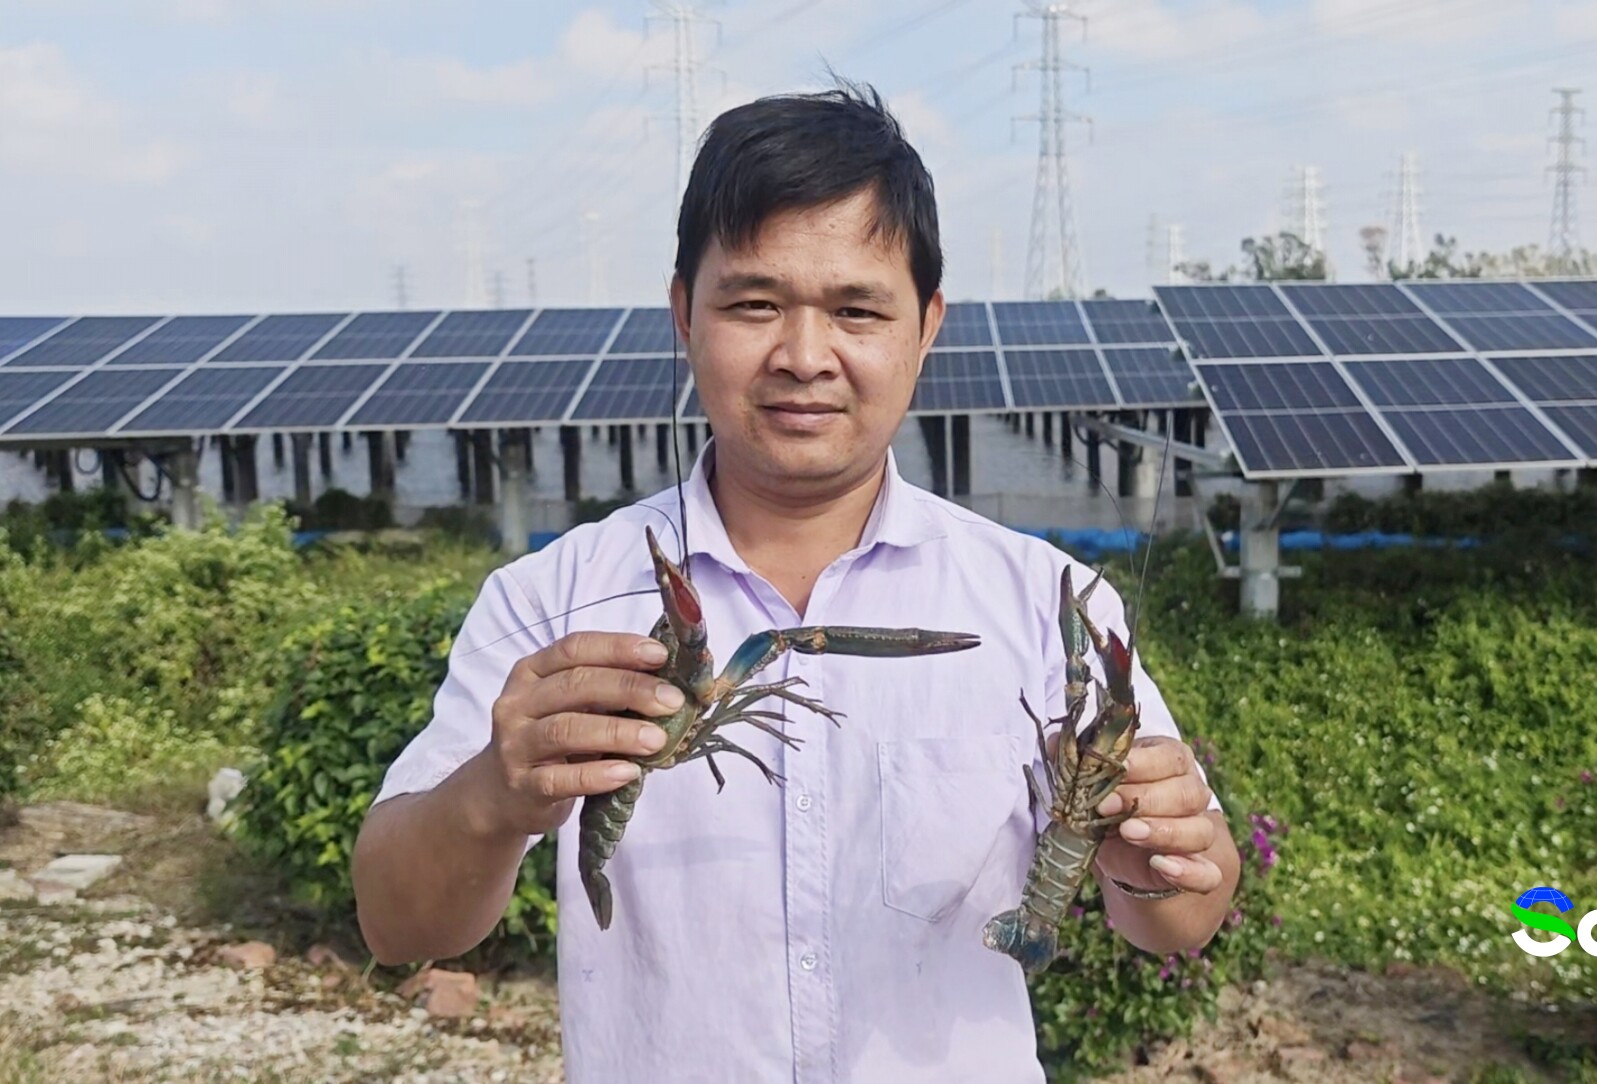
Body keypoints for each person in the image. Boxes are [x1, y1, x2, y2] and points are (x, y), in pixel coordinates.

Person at [350, 79, 1239, 1082]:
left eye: (857, 309)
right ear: (685, 312)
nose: (805, 356)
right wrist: (493, 795)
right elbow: (395, 923)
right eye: (754, 303)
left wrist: (1162, 853)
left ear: (926, 325)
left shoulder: (1047, 601)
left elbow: (1186, 915)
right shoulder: (550, 597)